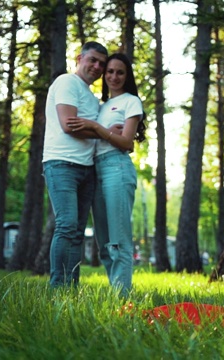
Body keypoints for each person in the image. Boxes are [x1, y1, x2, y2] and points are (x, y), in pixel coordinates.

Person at [66, 53, 146, 296]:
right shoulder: (100, 107)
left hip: (117, 169)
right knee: (104, 243)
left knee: (118, 239)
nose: (113, 76)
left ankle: (123, 297)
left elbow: (127, 143)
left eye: (119, 72)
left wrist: (97, 128)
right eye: (109, 71)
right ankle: (117, 293)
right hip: (95, 171)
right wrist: (98, 128)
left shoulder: (131, 101)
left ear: (127, 76)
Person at [42, 41, 108, 287]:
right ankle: (57, 286)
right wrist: (103, 130)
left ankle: (71, 288)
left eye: (101, 63)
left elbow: (86, 128)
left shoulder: (91, 98)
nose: (97, 66)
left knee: (78, 232)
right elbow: (69, 125)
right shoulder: (67, 82)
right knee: (67, 225)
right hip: (61, 164)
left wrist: (92, 127)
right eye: (92, 60)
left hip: (86, 168)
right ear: (80, 58)